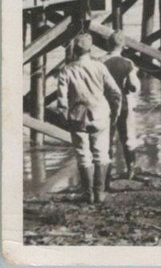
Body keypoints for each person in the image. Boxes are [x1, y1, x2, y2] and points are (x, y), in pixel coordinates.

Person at [58, 33, 122, 203]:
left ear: (75, 50)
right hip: (100, 114)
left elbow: (61, 100)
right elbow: (115, 92)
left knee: (82, 154)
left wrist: (65, 117)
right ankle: (99, 193)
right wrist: (116, 110)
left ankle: (88, 193)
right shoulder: (99, 67)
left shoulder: (66, 70)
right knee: (101, 153)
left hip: (78, 116)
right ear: (90, 49)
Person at [102, 31, 140, 186]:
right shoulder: (127, 63)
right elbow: (134, 87)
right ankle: (131, 168)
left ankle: (106, 173)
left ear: (108, 45)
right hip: (123, 105)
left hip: (105, 105)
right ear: (123, 46)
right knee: (127, 138)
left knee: (107, 140)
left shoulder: (99, 61)